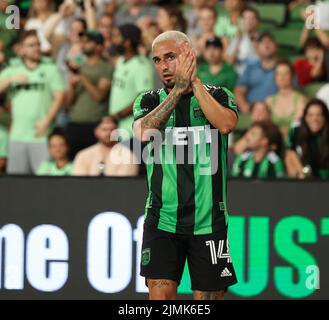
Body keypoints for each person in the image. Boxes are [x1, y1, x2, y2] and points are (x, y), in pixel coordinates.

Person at [133, 31, 238, 300]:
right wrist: (178, 91)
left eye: (170, 57)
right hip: (162, 220)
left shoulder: (219, 94)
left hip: (209, 219)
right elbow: (142, 133)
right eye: (157, 60)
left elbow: (226, 124)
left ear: (189, 54)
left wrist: (193, 84)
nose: (164, 66)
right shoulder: (148, 100)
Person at [0, 30, 65, 174]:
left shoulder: (50, 69)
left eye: (37, 44)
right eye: (31, 45)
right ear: (21, 49)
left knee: (43, 184)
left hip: (41, 136)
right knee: (16, 185)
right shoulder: (13, 70)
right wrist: (10, 79)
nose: (36, 48)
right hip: (17, 135)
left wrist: (47, 121)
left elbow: (60, 97)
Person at [66, 30, 112, 159]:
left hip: (95, 125)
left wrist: (80, 74)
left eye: (88, 41)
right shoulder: (78, 64)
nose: (83, 44)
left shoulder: (106, 67)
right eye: (82, 41)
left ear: (98, 46)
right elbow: (68, 104)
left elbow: (99, 96)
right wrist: (72, 87)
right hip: (74, 123)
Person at [108, 24, 154, 140]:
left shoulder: (141, 65)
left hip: (133, 130)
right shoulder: (121, 61)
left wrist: (118, 115)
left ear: (127, 42)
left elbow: (143, 98)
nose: (114, 40)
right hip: (118, 128)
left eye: (117, 36)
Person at [73, 117, 139, 176]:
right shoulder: (83, 155)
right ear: (96, 132)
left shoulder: (128, 156)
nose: (108, 133)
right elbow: (79, 183)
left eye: (112, 130)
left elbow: (126, 184)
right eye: (104, 129)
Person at [234, 31, 278, 114]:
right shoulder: (250, 68)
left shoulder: (283, 68)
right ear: (257, 48)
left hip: (275, 112)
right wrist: (245, 107)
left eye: (269, 42)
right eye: (262, 42)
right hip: (252, 113)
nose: (266, 45)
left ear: (276, 46)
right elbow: (239, 91)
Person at [285, 98, 329, 179]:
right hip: (305, 176)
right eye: (310, 115)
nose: (314, 119)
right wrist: (301, 172)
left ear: (325, 117)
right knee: (289, 157)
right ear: (305, 117)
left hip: (326, 178)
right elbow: (290, 151)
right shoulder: (296, 130)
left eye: (319, 115)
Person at [265, 59, 307, 138]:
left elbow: (297, 124)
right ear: (275, 77)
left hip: (295, 138)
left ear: (292, 76)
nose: (282, 77)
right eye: (279, 74)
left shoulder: (300, 99)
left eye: (286, 73)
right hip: (274, 140)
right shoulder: (269, 101)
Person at [226, 6, 260, 75]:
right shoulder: (237, 38)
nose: (249, 21)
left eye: (252, 18)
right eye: (246, 18)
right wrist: (238, 41)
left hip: (256, 74)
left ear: (257, 22)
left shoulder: (263, 38)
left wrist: (253, 40)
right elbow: (229, 62)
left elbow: (267, 61)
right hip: (238, 74)